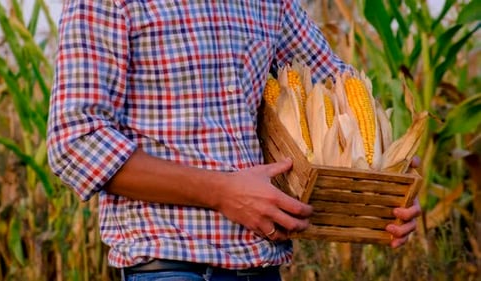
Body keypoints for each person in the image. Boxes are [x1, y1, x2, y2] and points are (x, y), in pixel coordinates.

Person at [47, 0, 421, 280]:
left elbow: (338, 93)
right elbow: (76, 142)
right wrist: (222, 192)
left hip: (262, 265)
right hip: (170, 265)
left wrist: (384, 181)